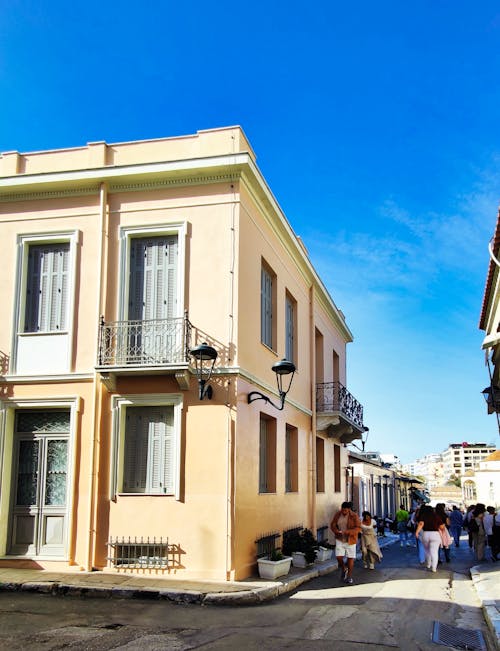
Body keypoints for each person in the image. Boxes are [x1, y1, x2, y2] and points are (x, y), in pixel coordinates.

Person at [330, 501, 362, 585]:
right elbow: (333, 524)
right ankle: (344, 568)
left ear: (348, 509)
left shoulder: (354, 516)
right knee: (338, 556)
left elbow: (358, 528)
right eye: (342, 510)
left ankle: (349, 577)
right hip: (340, 538)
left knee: (350, 558)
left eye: (345, 510)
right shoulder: (338, 514)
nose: (343, 512)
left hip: (351, 540)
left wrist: (348, 532)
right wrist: (336, 531)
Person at [415, 504, 445, 572]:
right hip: (435, 534)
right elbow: (442, 527)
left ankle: (428, 564)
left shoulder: (423, 516)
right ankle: (434, 568)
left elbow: (421, 524)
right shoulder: (436, 516)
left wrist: (417, 532)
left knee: (427, 550)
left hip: (426, 534)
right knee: (434, 552)